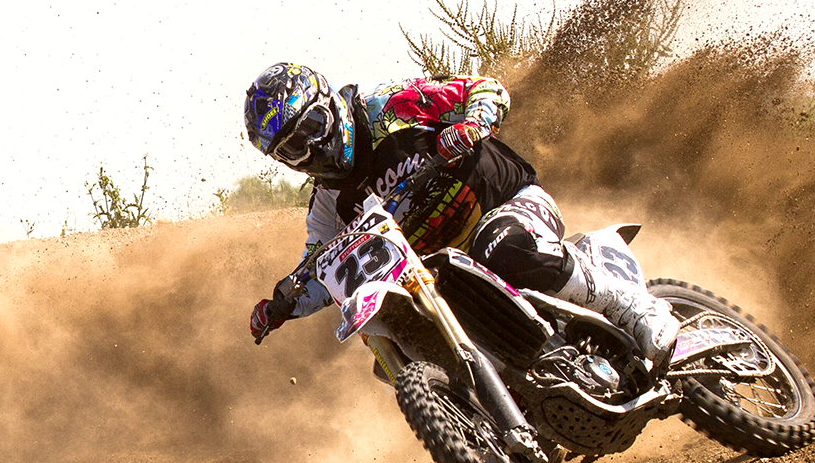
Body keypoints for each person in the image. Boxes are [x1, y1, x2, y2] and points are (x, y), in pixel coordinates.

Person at [243, 62, 679, 364]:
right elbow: (322, 270)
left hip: (506, 202)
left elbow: (484, 89)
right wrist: (283, 305)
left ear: (329, 104)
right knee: (411, 326)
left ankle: (631, 306)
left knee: (499, 246)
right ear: (285, 161)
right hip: (447, 271)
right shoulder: (326, 209)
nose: (315, 146)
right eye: (296, 146)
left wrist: (472, 122)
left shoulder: (387, 107)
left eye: (314, 127)